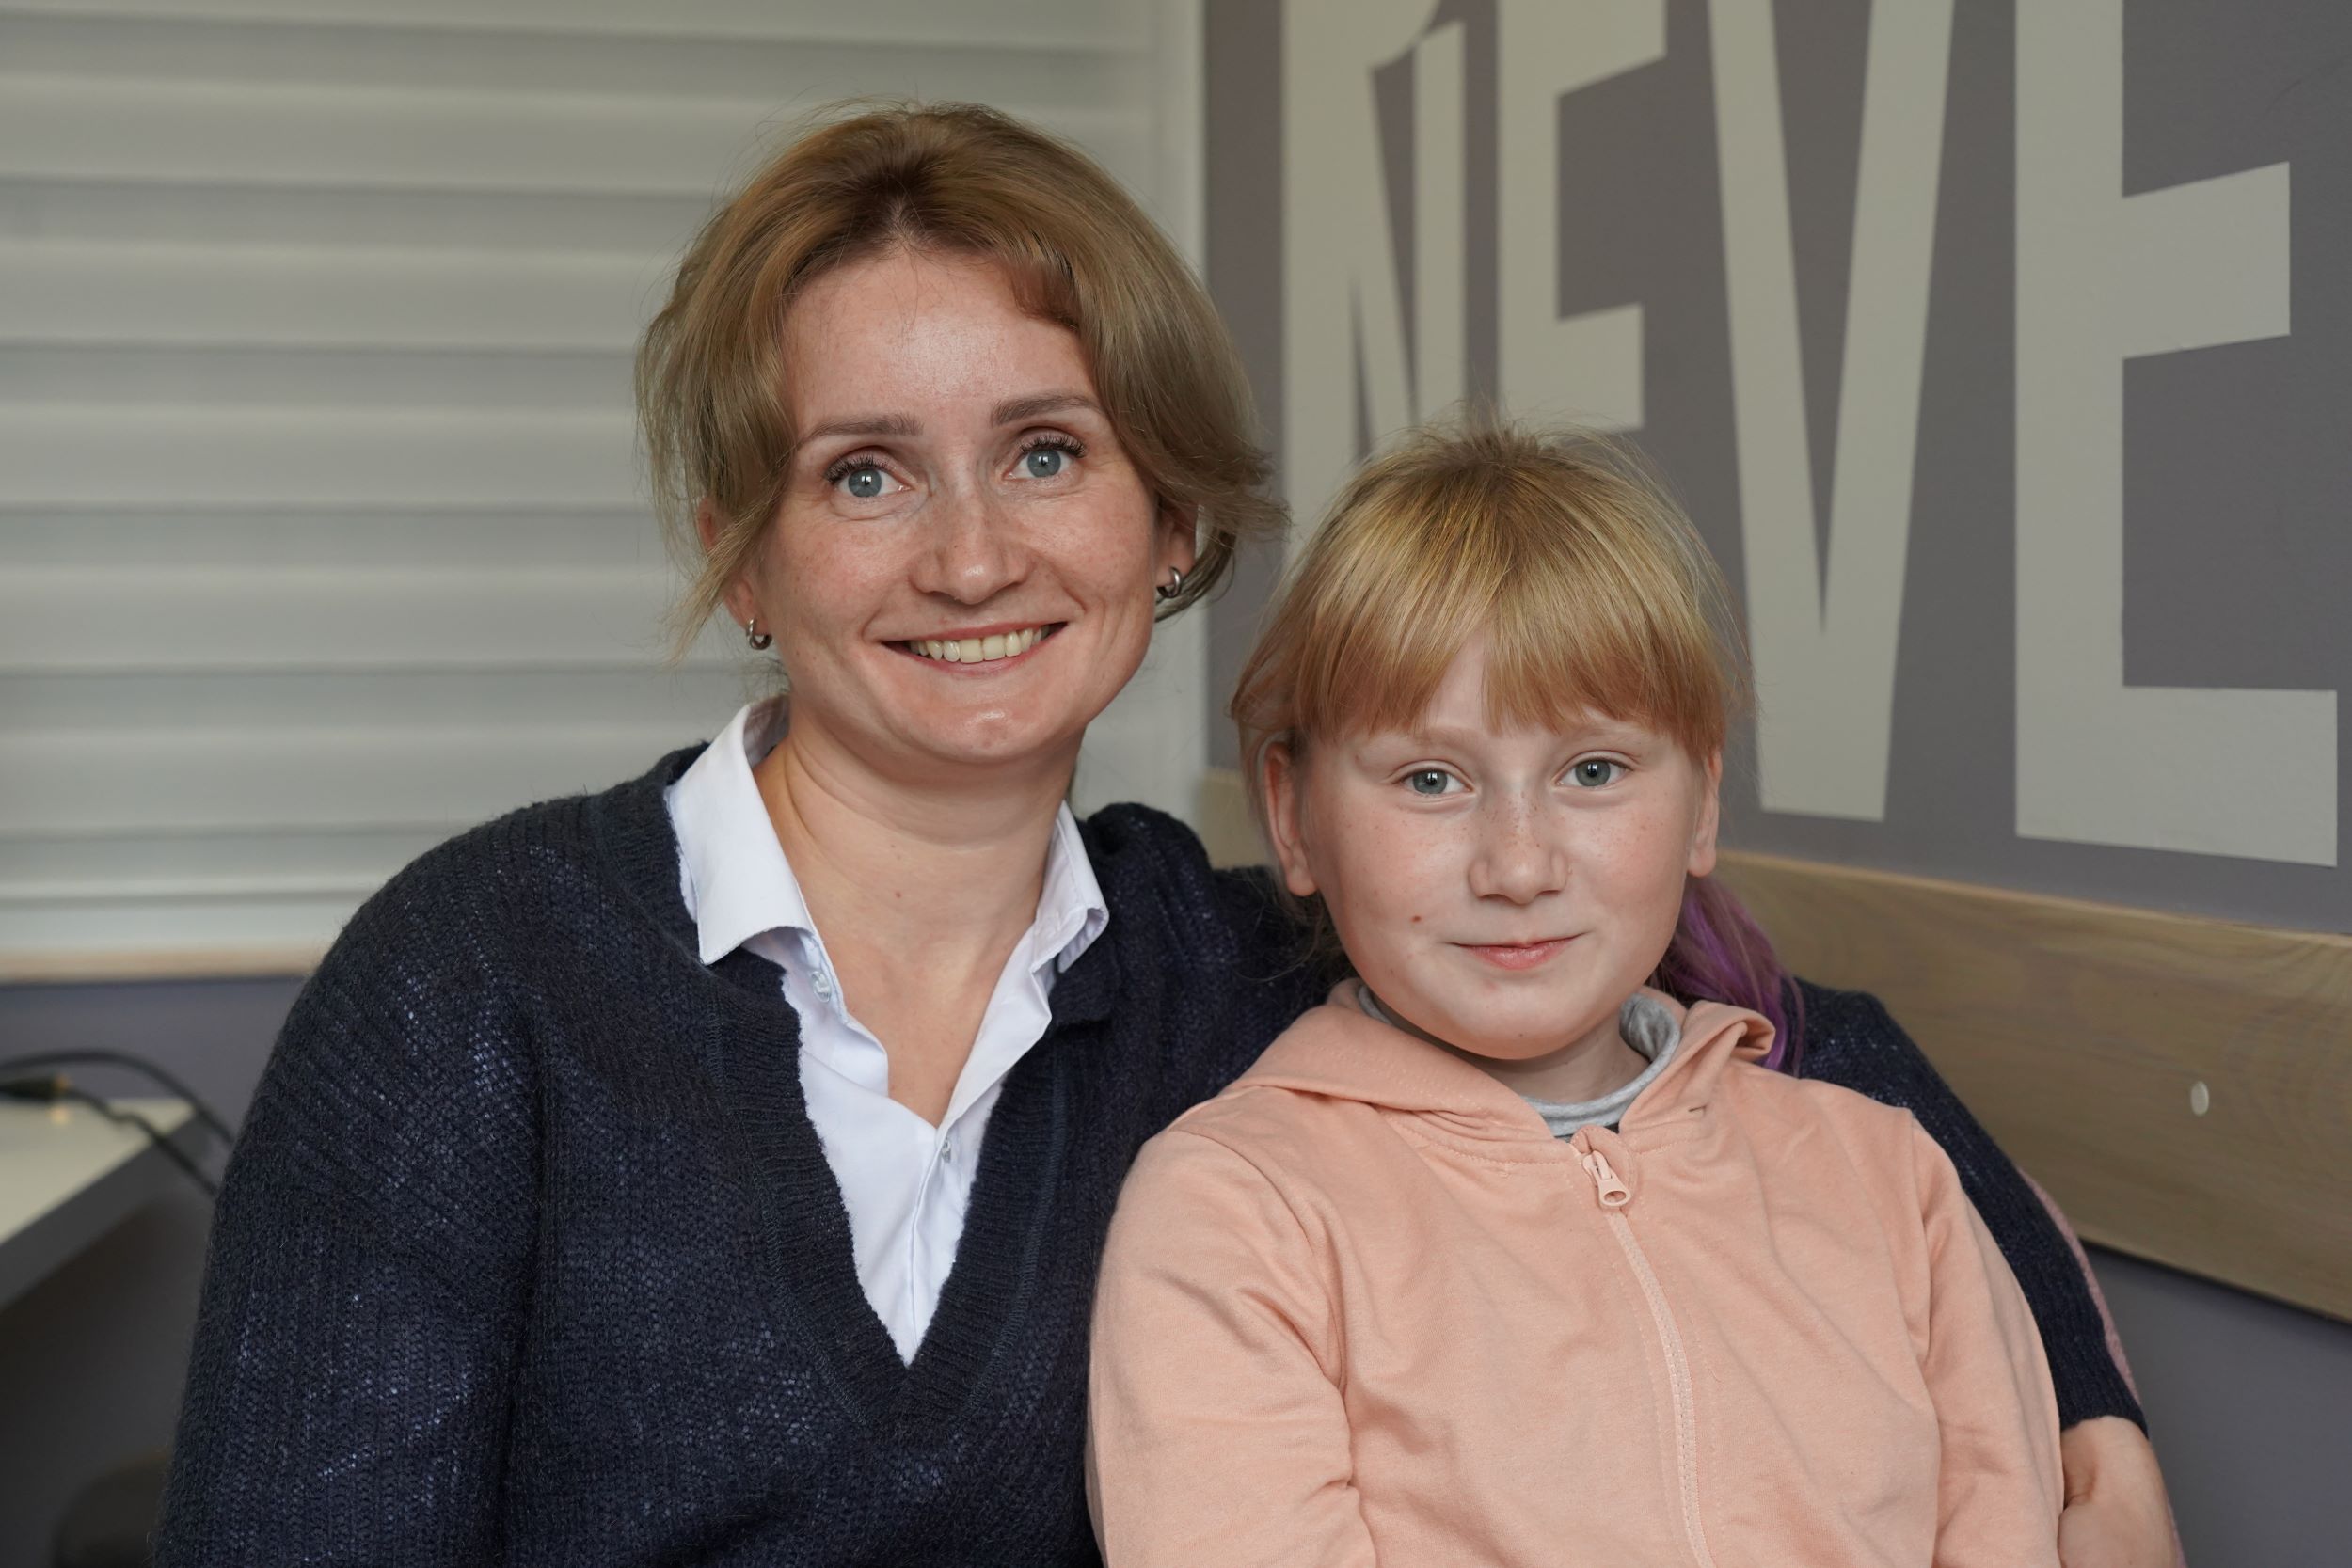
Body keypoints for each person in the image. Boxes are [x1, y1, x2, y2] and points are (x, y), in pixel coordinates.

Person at [155, 105, 2165, 1565]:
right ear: (741, 554)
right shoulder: (476, 985)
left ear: (1171, 517)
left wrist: (2079, 1401)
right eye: (865, 474)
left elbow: (1780, 1049)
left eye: (1047, 452)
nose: (971, 556)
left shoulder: (1234, 958)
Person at [1088, 422, 2161, 1567]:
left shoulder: (1891, 1178)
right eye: (1430, 777)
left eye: (1592, 769)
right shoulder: (1236, 1213)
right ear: (1293, 815)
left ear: (1702, 802)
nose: (1518, 865)